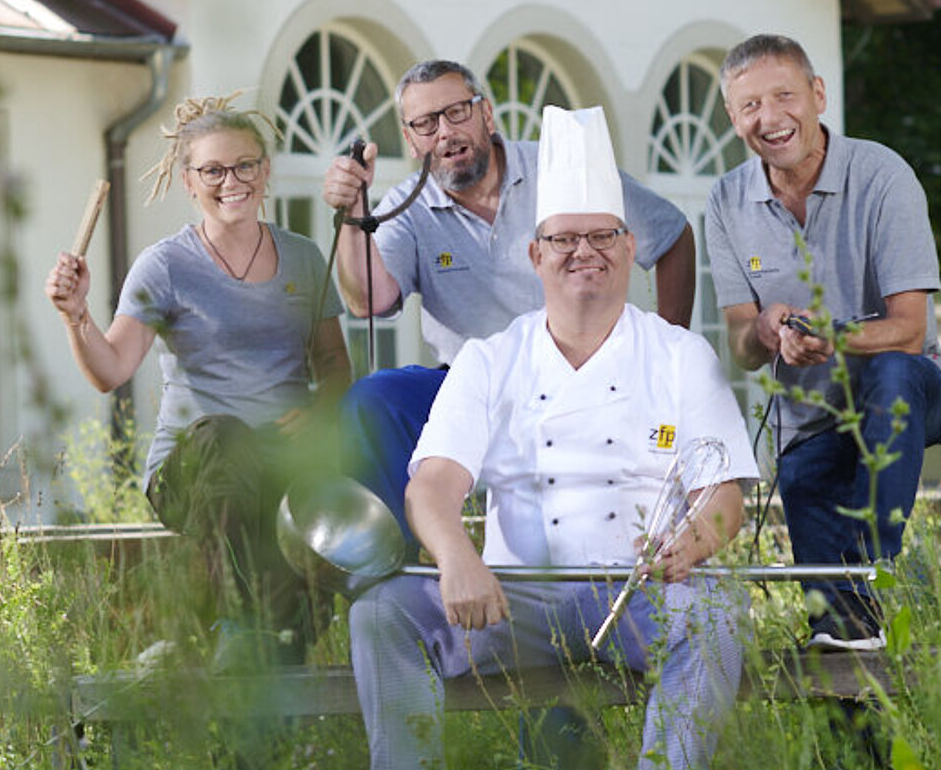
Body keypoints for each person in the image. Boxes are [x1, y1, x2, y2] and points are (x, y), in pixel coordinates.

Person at [350, 105, 758, 770]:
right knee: (384, 612)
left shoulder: (682, 356)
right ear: (535, 254)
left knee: (713, 613)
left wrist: (691, 545)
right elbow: (432, 485)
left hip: (640, 591)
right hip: (513, 597)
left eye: (602, 236)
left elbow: (724, 494)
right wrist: (456, 556)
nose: (584, 253)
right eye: (565, 240)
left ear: (631, 247)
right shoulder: (489, 359)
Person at [320, 60, 697, 549]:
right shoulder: (406, 208)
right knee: (375, 399)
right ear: (410, 140)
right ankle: (406, 572)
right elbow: (370, 301)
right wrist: (354, 211)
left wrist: (667, 348)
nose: (445, 133)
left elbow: (672, 236)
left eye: (456, 112)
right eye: (425, 124)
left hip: (583, 379)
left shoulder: (561, 169)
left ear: (487, 114)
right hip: (471, 389)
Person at [45, 92, 352, 665]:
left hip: (280, 463)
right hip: (194, 470)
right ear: (189, 181)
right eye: (212, 169)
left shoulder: (307, 259)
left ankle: (238, 648)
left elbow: (334, 366)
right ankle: (243, 631)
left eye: (243, 166)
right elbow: (110, 370)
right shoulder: (165, 266)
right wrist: (76, 315)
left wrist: (321, 410)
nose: (229, 180)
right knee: (226, 440)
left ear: (265, 172)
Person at [703, 34, 941, 652]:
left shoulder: (881, 174)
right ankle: (857, 723)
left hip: (909, 393)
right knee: (840, 638)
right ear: (733, 119)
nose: (769, 118)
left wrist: (830, 337)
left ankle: (877, 563)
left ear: (818, 95)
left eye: (783, 95)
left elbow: (909, 327)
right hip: (809, 422)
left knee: (890, 373)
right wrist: (767, 331)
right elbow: (741, 343)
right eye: (748, 107)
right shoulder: (725, 200)